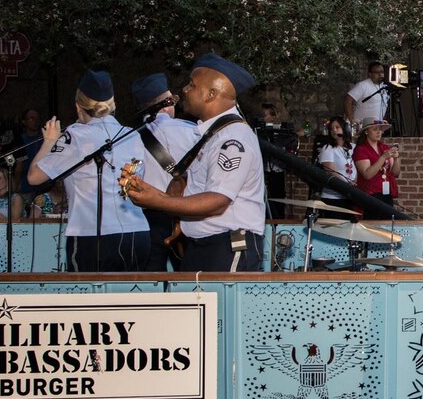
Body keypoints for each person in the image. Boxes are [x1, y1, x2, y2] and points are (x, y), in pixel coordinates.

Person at [118, 55, 268, 271]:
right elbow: (195, 181)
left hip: (226, 248)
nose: (184, 90)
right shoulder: (210, 134)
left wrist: (157, 200)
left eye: (192, 84)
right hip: (204, 246)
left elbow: (217, 201)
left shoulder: (232, 139)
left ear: (211, 94)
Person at [27, 69, 151, 271]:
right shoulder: (131, 135)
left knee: (88, 301)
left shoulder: (75, 135)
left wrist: (49, 141)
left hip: (92, 236)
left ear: (78, 107)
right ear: (112, 104)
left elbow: (34, 177)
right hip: (137, 233)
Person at [128, 72, 201, 272]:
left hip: (149, 216)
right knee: (189, 277)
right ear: (168, 103)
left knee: (152, 278)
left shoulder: (131, 137)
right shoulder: (192, 130)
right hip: (186, 212)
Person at [353, 119, 400, 208]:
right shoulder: (361, 150)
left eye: (380, 129)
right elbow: (367, 174)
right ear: (366, 132)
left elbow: (395, 173)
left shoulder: (384, 147)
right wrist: (383, 157)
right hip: (369, 194)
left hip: (386, 193)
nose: (379, 132)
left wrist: (396, 158)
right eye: (375, 129)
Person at [344, 62, 391, 130]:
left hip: (375, 128)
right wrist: (352, 121)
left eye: (382, 72)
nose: (380, 74)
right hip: (360, 127)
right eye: (376, 72)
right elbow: (347, 100)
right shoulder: (363, 85)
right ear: (370, 74)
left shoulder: (385, 87)